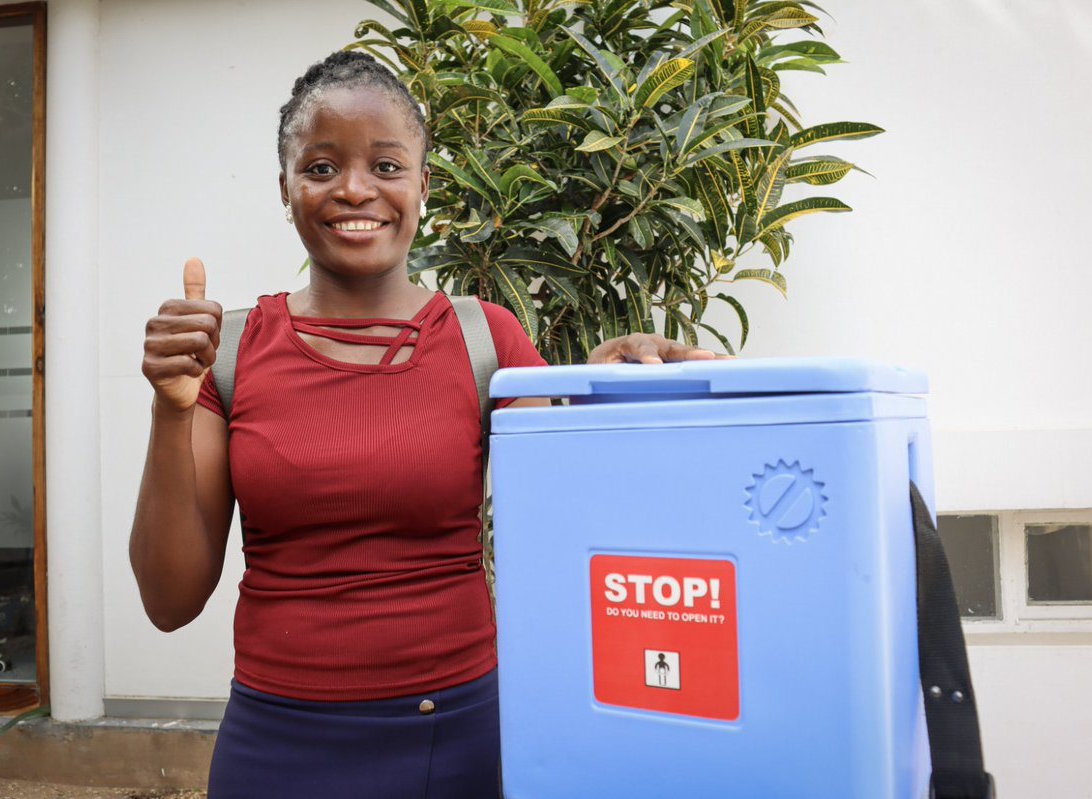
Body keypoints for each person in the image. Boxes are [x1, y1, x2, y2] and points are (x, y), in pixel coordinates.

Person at [130, 51, 722, 799]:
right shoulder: (232, 353)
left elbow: (585, 515)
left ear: (423, 186)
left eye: (385, 164)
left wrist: (612, 389)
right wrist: (170, 408)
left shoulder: (486, 340)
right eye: (320, 167)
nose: (354, 188)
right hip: (276, 746)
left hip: (456, 740)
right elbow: (169, 600)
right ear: (285, 190)